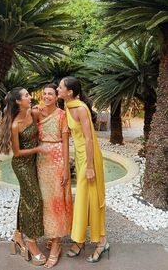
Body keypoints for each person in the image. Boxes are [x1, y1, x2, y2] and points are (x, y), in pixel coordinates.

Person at [57, 76, 110, 263]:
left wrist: (89, 167)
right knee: (82, 198)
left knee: (91, 199)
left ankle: (101, 242)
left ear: (69, 92)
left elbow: (89, 138)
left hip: (89, 159)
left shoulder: (80, 108)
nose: (58, 88)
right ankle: (79, 241)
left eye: (60, 87)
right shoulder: (68, 106)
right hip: (80, 158)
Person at [0, 87, 47, 266]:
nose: (30, 97)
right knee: (34, 200)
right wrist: (39, 149)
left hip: (34, 163)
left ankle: (17, 236)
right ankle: (31, 242)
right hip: (22, 165)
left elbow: (44, 115)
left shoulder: (31, 113)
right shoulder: (15, 125)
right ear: (18, 101)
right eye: (26, 95)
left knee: (25, 199)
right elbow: (17, 153)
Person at [33, 83, 73, 268]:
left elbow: (66, 143)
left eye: (51, 93)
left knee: (56, 201)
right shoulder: (37, 113)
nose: (47, 96)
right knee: (45, 200)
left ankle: (56, 245)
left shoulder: (62, 115)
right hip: (41, 161)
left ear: (56, 96)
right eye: (45, 94)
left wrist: (66, 168)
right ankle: (50, 234)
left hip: (57, 160)